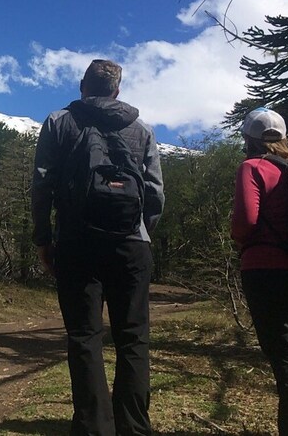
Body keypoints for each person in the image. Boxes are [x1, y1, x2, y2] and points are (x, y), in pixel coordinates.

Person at [31, 59, 165, 436]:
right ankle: (134, 427)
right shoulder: (142, 129)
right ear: (117, 91)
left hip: (77, 242)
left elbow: (42, 185)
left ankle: (93, 427)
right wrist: (138, 230)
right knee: (134, 336)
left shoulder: (59, 122)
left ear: (82, 86)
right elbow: (154, 194)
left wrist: (44, 239)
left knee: (85, 336)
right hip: (132, 245)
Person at [231, 107, 288, 436]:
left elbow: (245, 223)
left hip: (269, 270)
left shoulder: (252, 167)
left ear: (248, 138)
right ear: (283, 138)